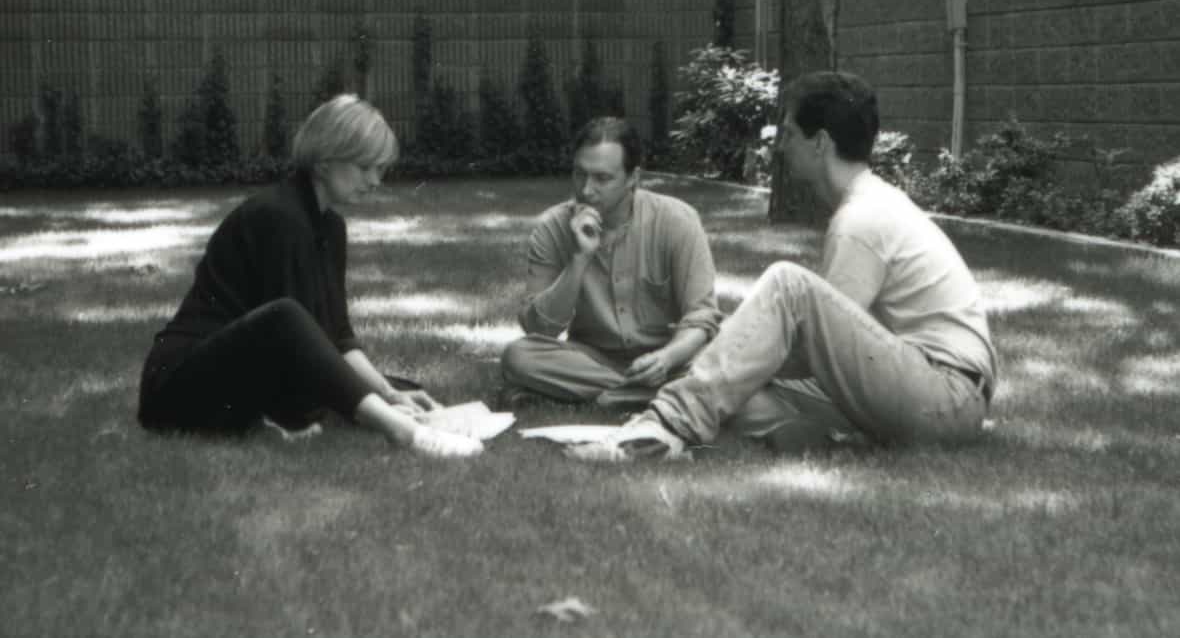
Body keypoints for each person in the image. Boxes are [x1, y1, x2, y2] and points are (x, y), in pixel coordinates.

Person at [569, 71, 998, 461]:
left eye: (789, 132)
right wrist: (728, 357)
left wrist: (722, 350)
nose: (778, 146)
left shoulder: (863, 219)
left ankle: (664, 425)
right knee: (739, 392)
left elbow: (812, 351)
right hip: (925, 394)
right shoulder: (867, 206)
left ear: (821, 143)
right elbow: (821, 353)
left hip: (945, 397)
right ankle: (821, 443)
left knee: (787, 285)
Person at [137, 95, 483, 458]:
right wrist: (375, 404)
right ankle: (404, 432)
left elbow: (337, 334)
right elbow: (297, 341)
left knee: (386, 386)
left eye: (380, 169)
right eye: (365, 166)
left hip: (234, 378)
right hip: (178, 388)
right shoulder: (278, 218)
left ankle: (380, 411)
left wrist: (388, 392)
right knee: (290, 322)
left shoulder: (331, 227)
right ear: (324, 162)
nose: (375, 180)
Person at [499, 117, 723, 409]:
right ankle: (660, 397)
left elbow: (701, 317)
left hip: (670, 357)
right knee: (518, 356)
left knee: (730, 352)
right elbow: (540, 330)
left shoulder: (677, 221)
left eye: (602, 178)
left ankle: (606, 396)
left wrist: (667, 358)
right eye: (580, 174)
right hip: (591, 358)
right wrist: (579, 259)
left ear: (633, 178)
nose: (587, 189)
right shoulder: (553, 227)